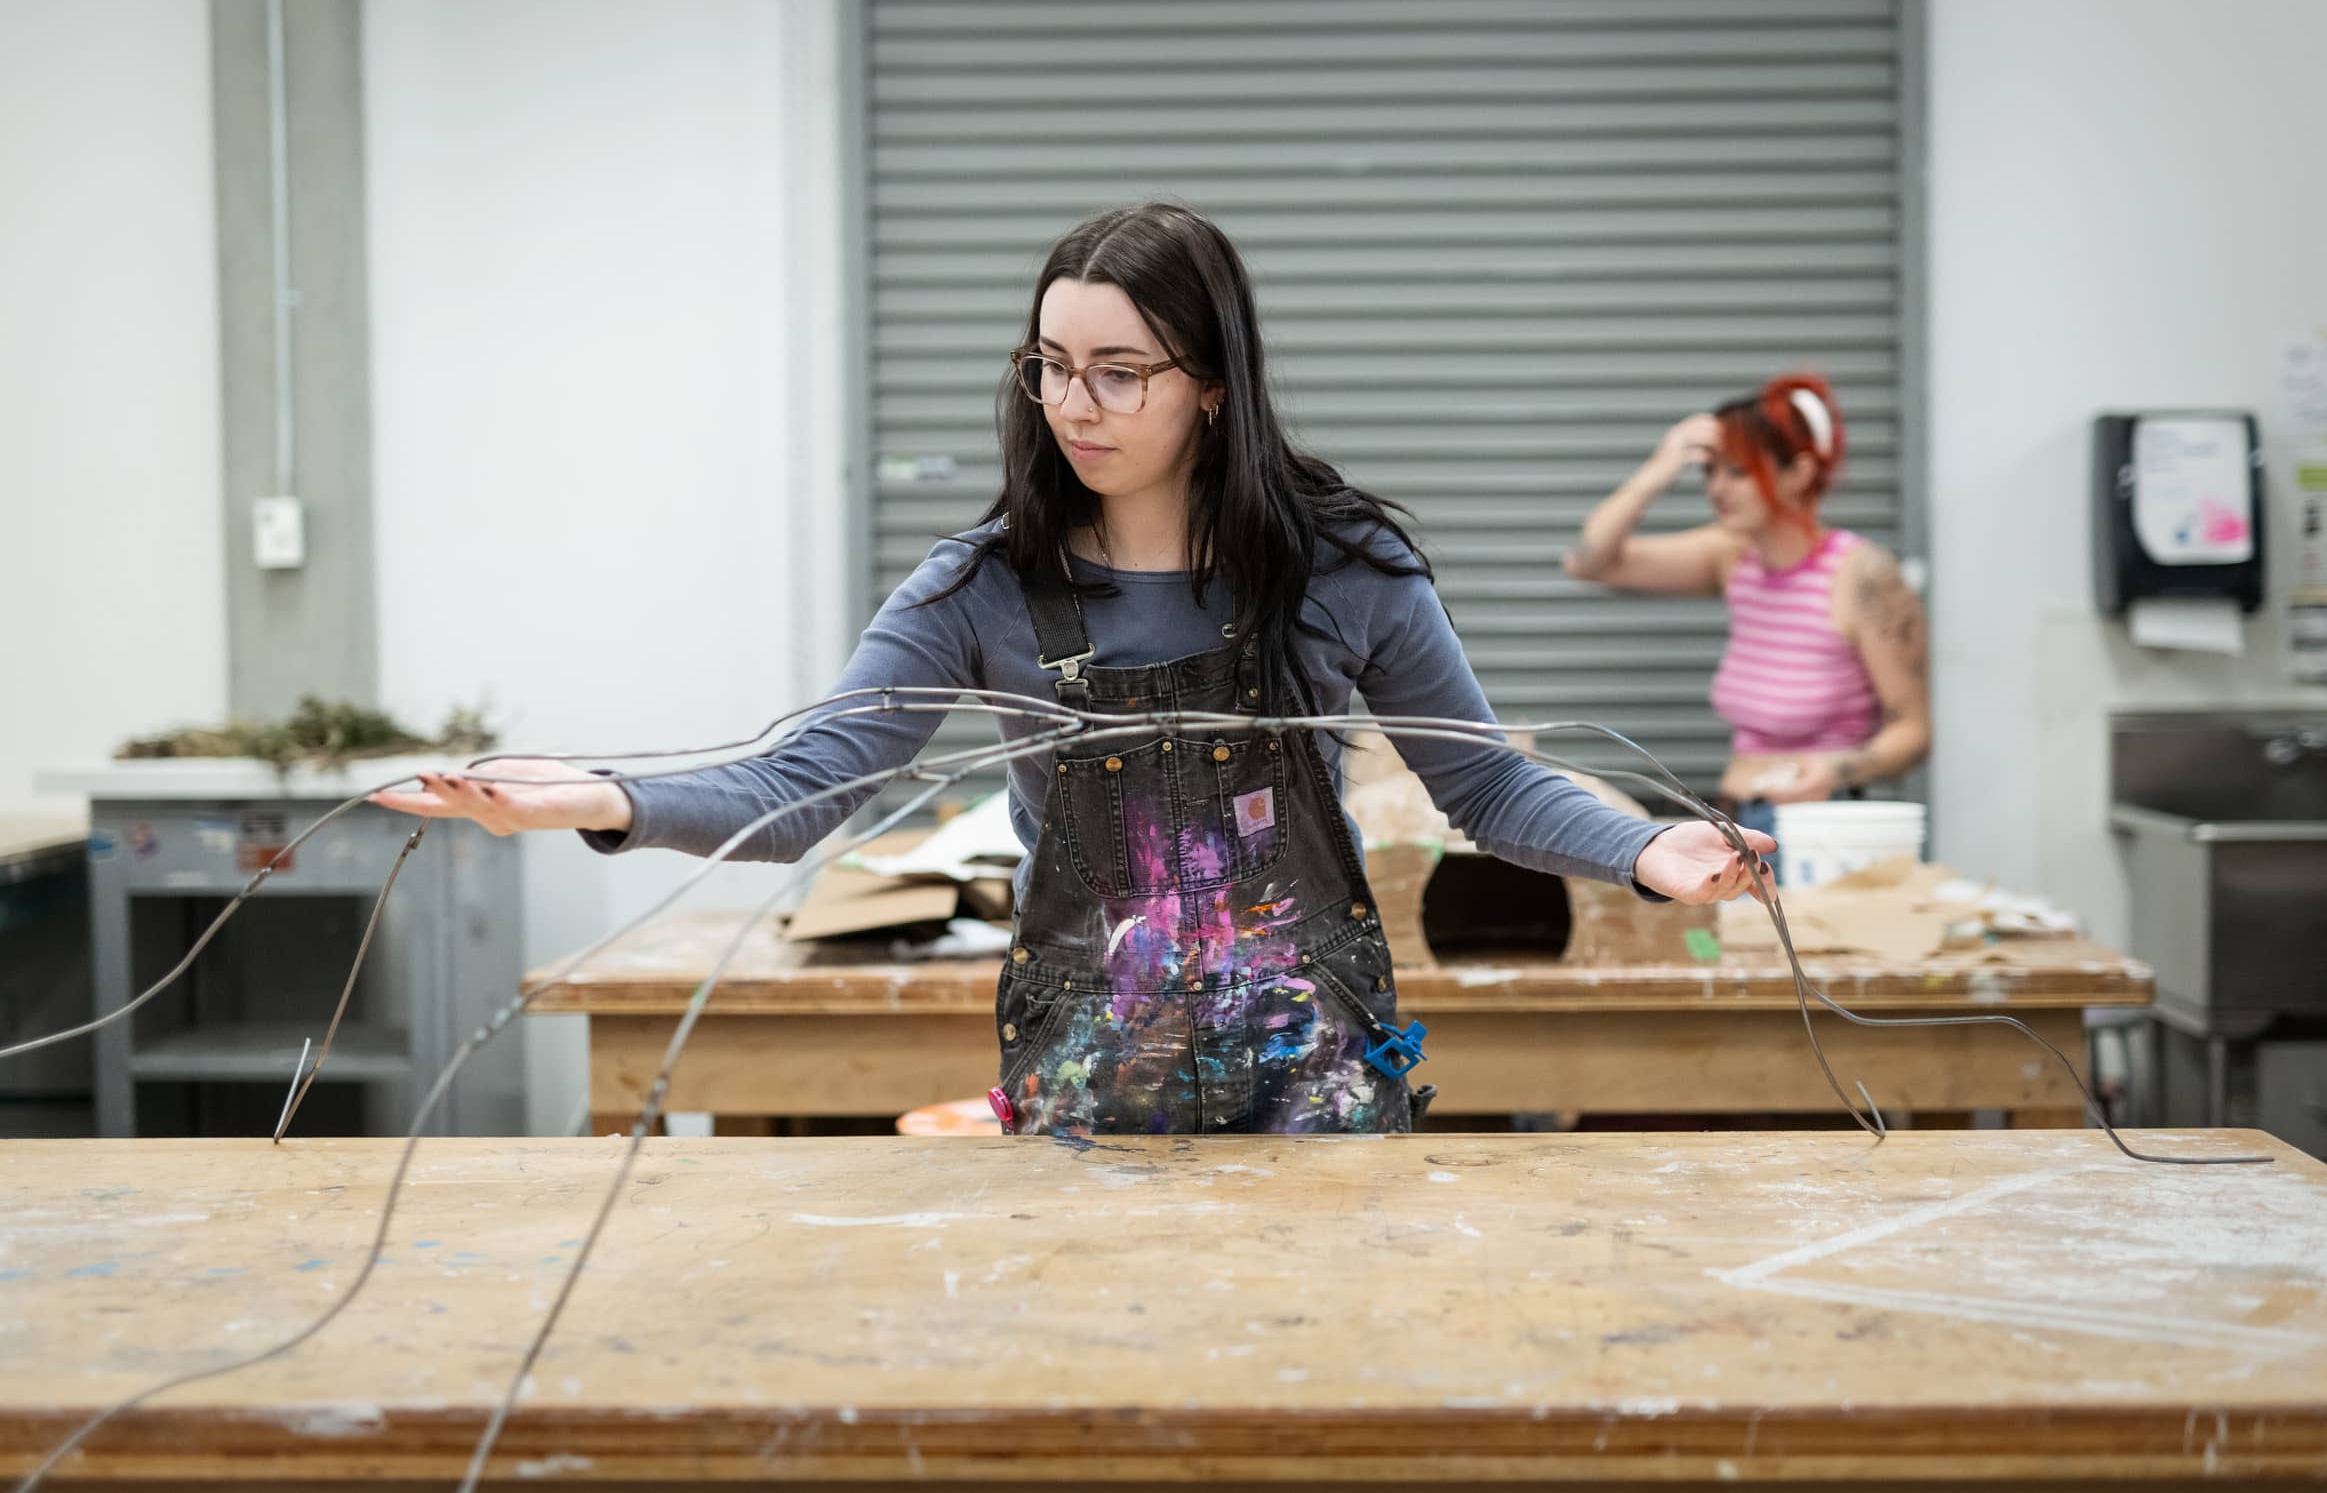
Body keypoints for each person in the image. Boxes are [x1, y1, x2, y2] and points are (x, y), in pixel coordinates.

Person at [375, 203, 1771, 1139]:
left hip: (1323, 1080)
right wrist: (598, 796)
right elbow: (805, 788)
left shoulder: (1343, 567)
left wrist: (1654, 851)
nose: (1073, 406)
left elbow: (1488, 790)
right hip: (1087, 1084)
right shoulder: (979, 586)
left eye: (1119, 371)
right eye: (1050, 365)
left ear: (1211, 381)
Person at [1559, 374, 1930, 855]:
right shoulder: (1733, 557)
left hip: (1823, 825)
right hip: (1736, 815)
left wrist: (1834, 770)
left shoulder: (1863, 577)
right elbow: (1589, 562)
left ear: (1796, 473)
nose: (1716, 489)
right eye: (1710, 472)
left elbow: (1914, 732)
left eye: (1738, 472)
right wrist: (1660, 467)